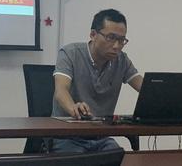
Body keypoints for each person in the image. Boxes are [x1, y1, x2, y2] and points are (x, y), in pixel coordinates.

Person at [50, 8, 143, 152]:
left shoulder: (121, 60)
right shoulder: (70, 53)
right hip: (67, 136)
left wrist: (173, 104)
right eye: (111, 38)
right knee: (80, 159)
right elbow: (61, 90)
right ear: (93, 35)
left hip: (101, 137)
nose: (117, 46)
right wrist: (73, 107)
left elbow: (146, 88)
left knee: (118, 156)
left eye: (121, 40)